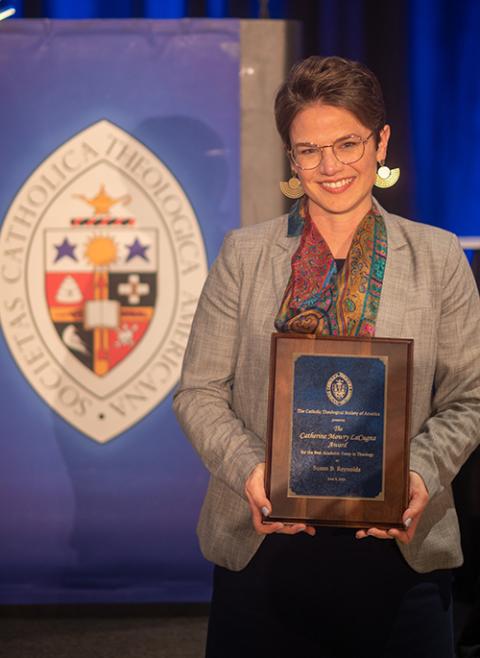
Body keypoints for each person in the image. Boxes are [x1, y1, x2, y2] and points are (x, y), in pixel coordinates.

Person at [173, 56, 480, 658]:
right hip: (262, 546)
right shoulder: (245, 254)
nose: (330, 167)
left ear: (381, 141)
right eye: (308, 150)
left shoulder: (439, 257)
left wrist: (415, 474)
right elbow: (199, 391)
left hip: (402, 554)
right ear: (291, 158)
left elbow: (469, 397)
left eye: (347, 144)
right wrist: (251, 473)